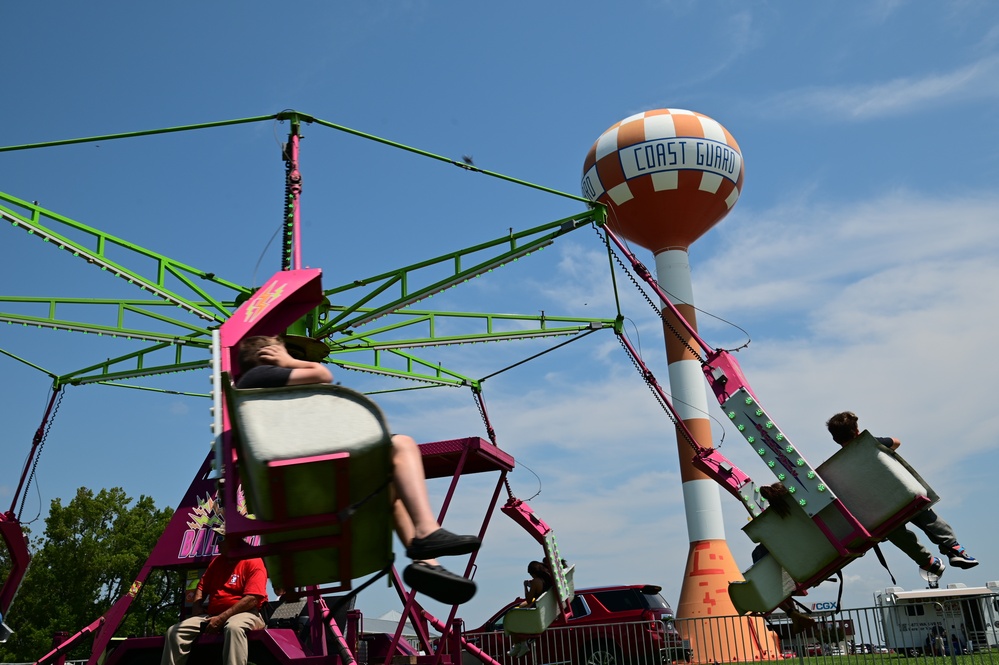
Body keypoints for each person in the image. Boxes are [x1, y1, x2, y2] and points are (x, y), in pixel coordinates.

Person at [234, 335, 480, 604]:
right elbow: (322, 373)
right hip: (319, 489)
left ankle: (426, 559)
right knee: (401, 445)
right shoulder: (258, 377)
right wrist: (288, 361)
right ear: (267, 355)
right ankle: (425, 530)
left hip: (300, 493)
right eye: (288, 356)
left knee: (390, 482)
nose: (298, 363)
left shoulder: (256, 400)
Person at [825, 411, 978, 578]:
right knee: (927, 517)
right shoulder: (871, 444)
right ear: (857, 431)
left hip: (878, 510)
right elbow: (896, 442)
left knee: (895, 532)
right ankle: (954, 549)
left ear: (835, 439)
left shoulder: (836, 468)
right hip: (901, 494)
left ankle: (928, 562)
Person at [161, 525, 268, 665]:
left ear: (233, 540)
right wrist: (197, 605)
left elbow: (252, 599)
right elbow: (201, 586)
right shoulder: (217, 562)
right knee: (174, 632)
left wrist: (222, 618)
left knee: (233, 628)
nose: (216, 542)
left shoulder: (253, 561)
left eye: (220, 538)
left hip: (247, 613)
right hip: (213, 614)